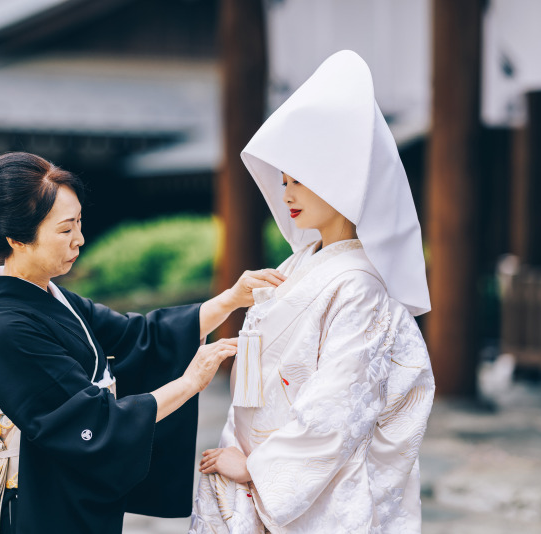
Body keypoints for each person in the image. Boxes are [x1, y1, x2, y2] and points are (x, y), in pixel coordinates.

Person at [0, 152, 285, 533]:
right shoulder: (5, 328)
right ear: (17, 238)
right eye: (65, 230)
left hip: (75, 490)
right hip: (44, 496)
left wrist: (230, 299)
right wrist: (189, 382)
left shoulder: (51, 297)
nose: (79, 239)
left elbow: (139, 337)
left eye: (79, 223)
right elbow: (92, 422)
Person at [189, 50, 435, 533]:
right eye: (283, 181)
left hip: (307, 482)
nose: (287, 196)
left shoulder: (360, 287)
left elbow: (339, 404)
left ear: (338, 183)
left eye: (300, 181)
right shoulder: (298, 267)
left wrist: (260, 469)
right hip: (257, 455)